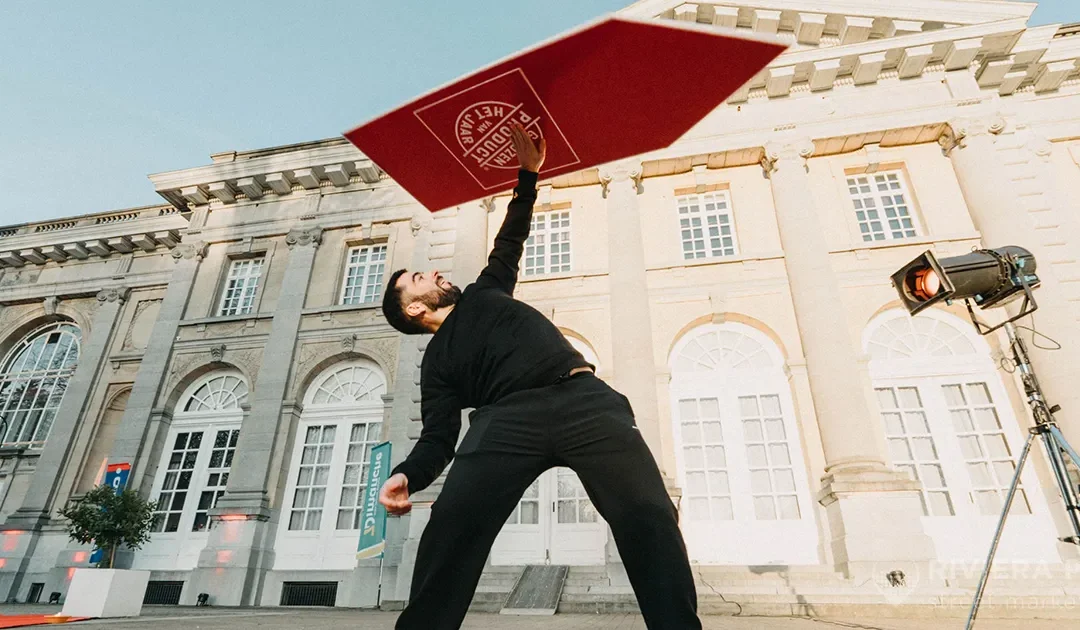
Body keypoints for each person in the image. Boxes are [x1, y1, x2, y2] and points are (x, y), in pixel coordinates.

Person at [379, 123, 702, 630]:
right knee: (451, 527)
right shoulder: (436, 362)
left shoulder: (487, 290)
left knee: (649, 515)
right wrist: (407, 474)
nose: (436, 273)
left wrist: (527, 174)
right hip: (505, 422)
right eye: (421, 278)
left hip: (584, 401)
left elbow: (511, 239)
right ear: (416, 307)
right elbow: (438, 436)